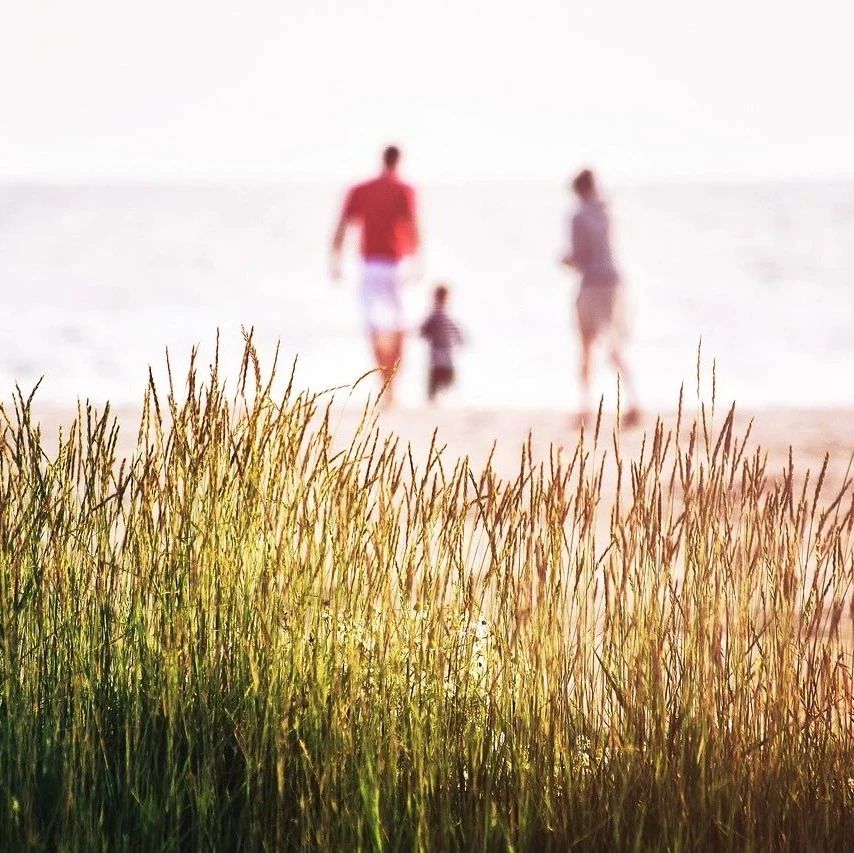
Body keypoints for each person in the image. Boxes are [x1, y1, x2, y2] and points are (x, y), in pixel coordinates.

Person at [331, 145, 420, 405]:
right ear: (399, 161)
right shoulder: (405, 190)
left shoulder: (360, 190)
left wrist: (335, 261)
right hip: (398, 264)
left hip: (370, 266)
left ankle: (386, 384)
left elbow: (342, 227)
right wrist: (418, 262)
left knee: (375, 326)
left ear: (382, 159)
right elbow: (414, 227)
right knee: (400, 326)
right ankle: (393, 386)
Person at [560, 169, 640, 428]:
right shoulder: (609, 212)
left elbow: (580, 257)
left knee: (586, 345)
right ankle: (634, 401)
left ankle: (585, 407)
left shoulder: (578, 216)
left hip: (592, 283)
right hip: (615, 282)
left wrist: (565, 261)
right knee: (615, 346)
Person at [419, 284, 464, 402]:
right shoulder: (435, 316)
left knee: (445, 377)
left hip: (445, 352)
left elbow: (423, 331)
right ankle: (435, 398)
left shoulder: (442, 315)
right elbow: (423, 331)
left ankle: (443, 397)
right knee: (439, 377)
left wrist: (459, 340)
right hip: (439, 352)